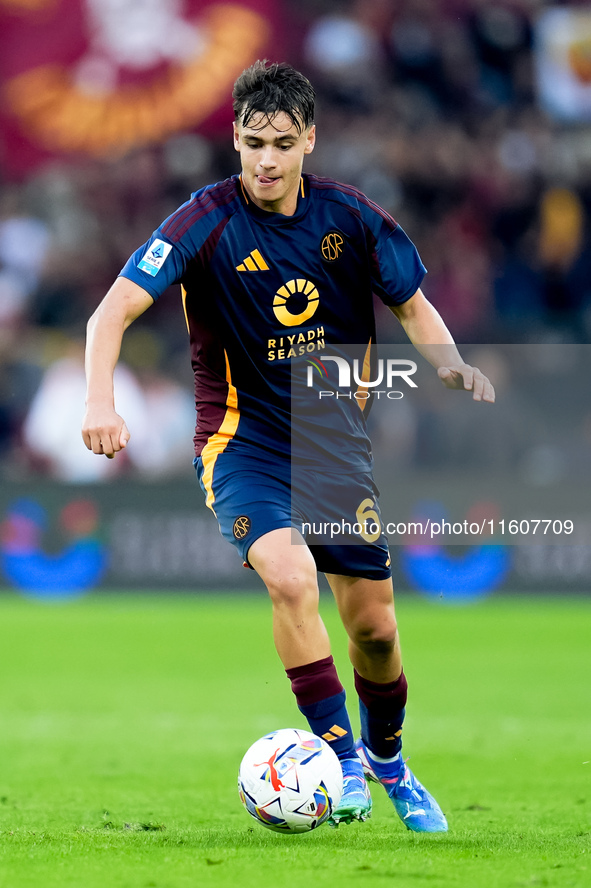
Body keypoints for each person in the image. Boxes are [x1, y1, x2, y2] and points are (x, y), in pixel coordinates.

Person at [82, 60, 495, 831]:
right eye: (249, 142)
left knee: (373, 629)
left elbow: (412, 308)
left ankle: (388, 763)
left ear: (309, 138)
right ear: (233, 140)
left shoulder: (352, 220)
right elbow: (109, 316)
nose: (263, 160)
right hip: (243, 444)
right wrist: (100, 401)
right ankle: (339, 765)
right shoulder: (201, 221)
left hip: (334, 449)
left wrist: (450, 366)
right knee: (288, 574)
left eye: (278, 143)